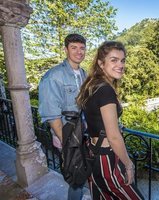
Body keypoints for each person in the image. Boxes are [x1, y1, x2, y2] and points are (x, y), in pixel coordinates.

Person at [77, 41, 144, 200]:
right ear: (101, 63)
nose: (120, 64)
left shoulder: (92, 86)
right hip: (106, 158)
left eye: (122, 60)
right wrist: (128, 165)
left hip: (93, 153)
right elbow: (113, 136)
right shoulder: (106, 90)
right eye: (114, 60)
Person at [38, 33, 90, 200]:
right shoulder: (53, 76)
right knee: (75, 179)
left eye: (82, 48)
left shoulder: (84, 74)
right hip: (67, 137)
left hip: (83, 135)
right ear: (66, 49)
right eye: (74, 47)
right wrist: (68, 145)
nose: (79, 52)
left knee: (84, 173)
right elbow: (52, 115)